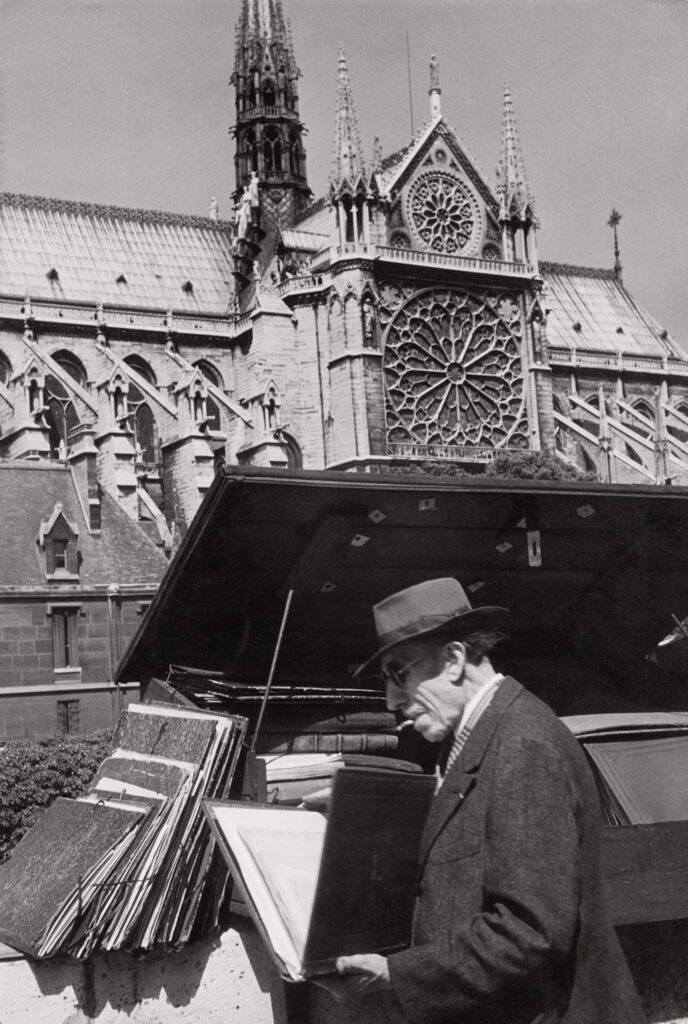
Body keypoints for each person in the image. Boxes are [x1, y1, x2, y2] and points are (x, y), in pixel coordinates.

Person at [332, 577, 644, 1023]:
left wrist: (398, 973)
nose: (391, 700)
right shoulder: (477, 735)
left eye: (400, 674)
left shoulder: (521, 744)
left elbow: (529, 931)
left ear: (455, 659)